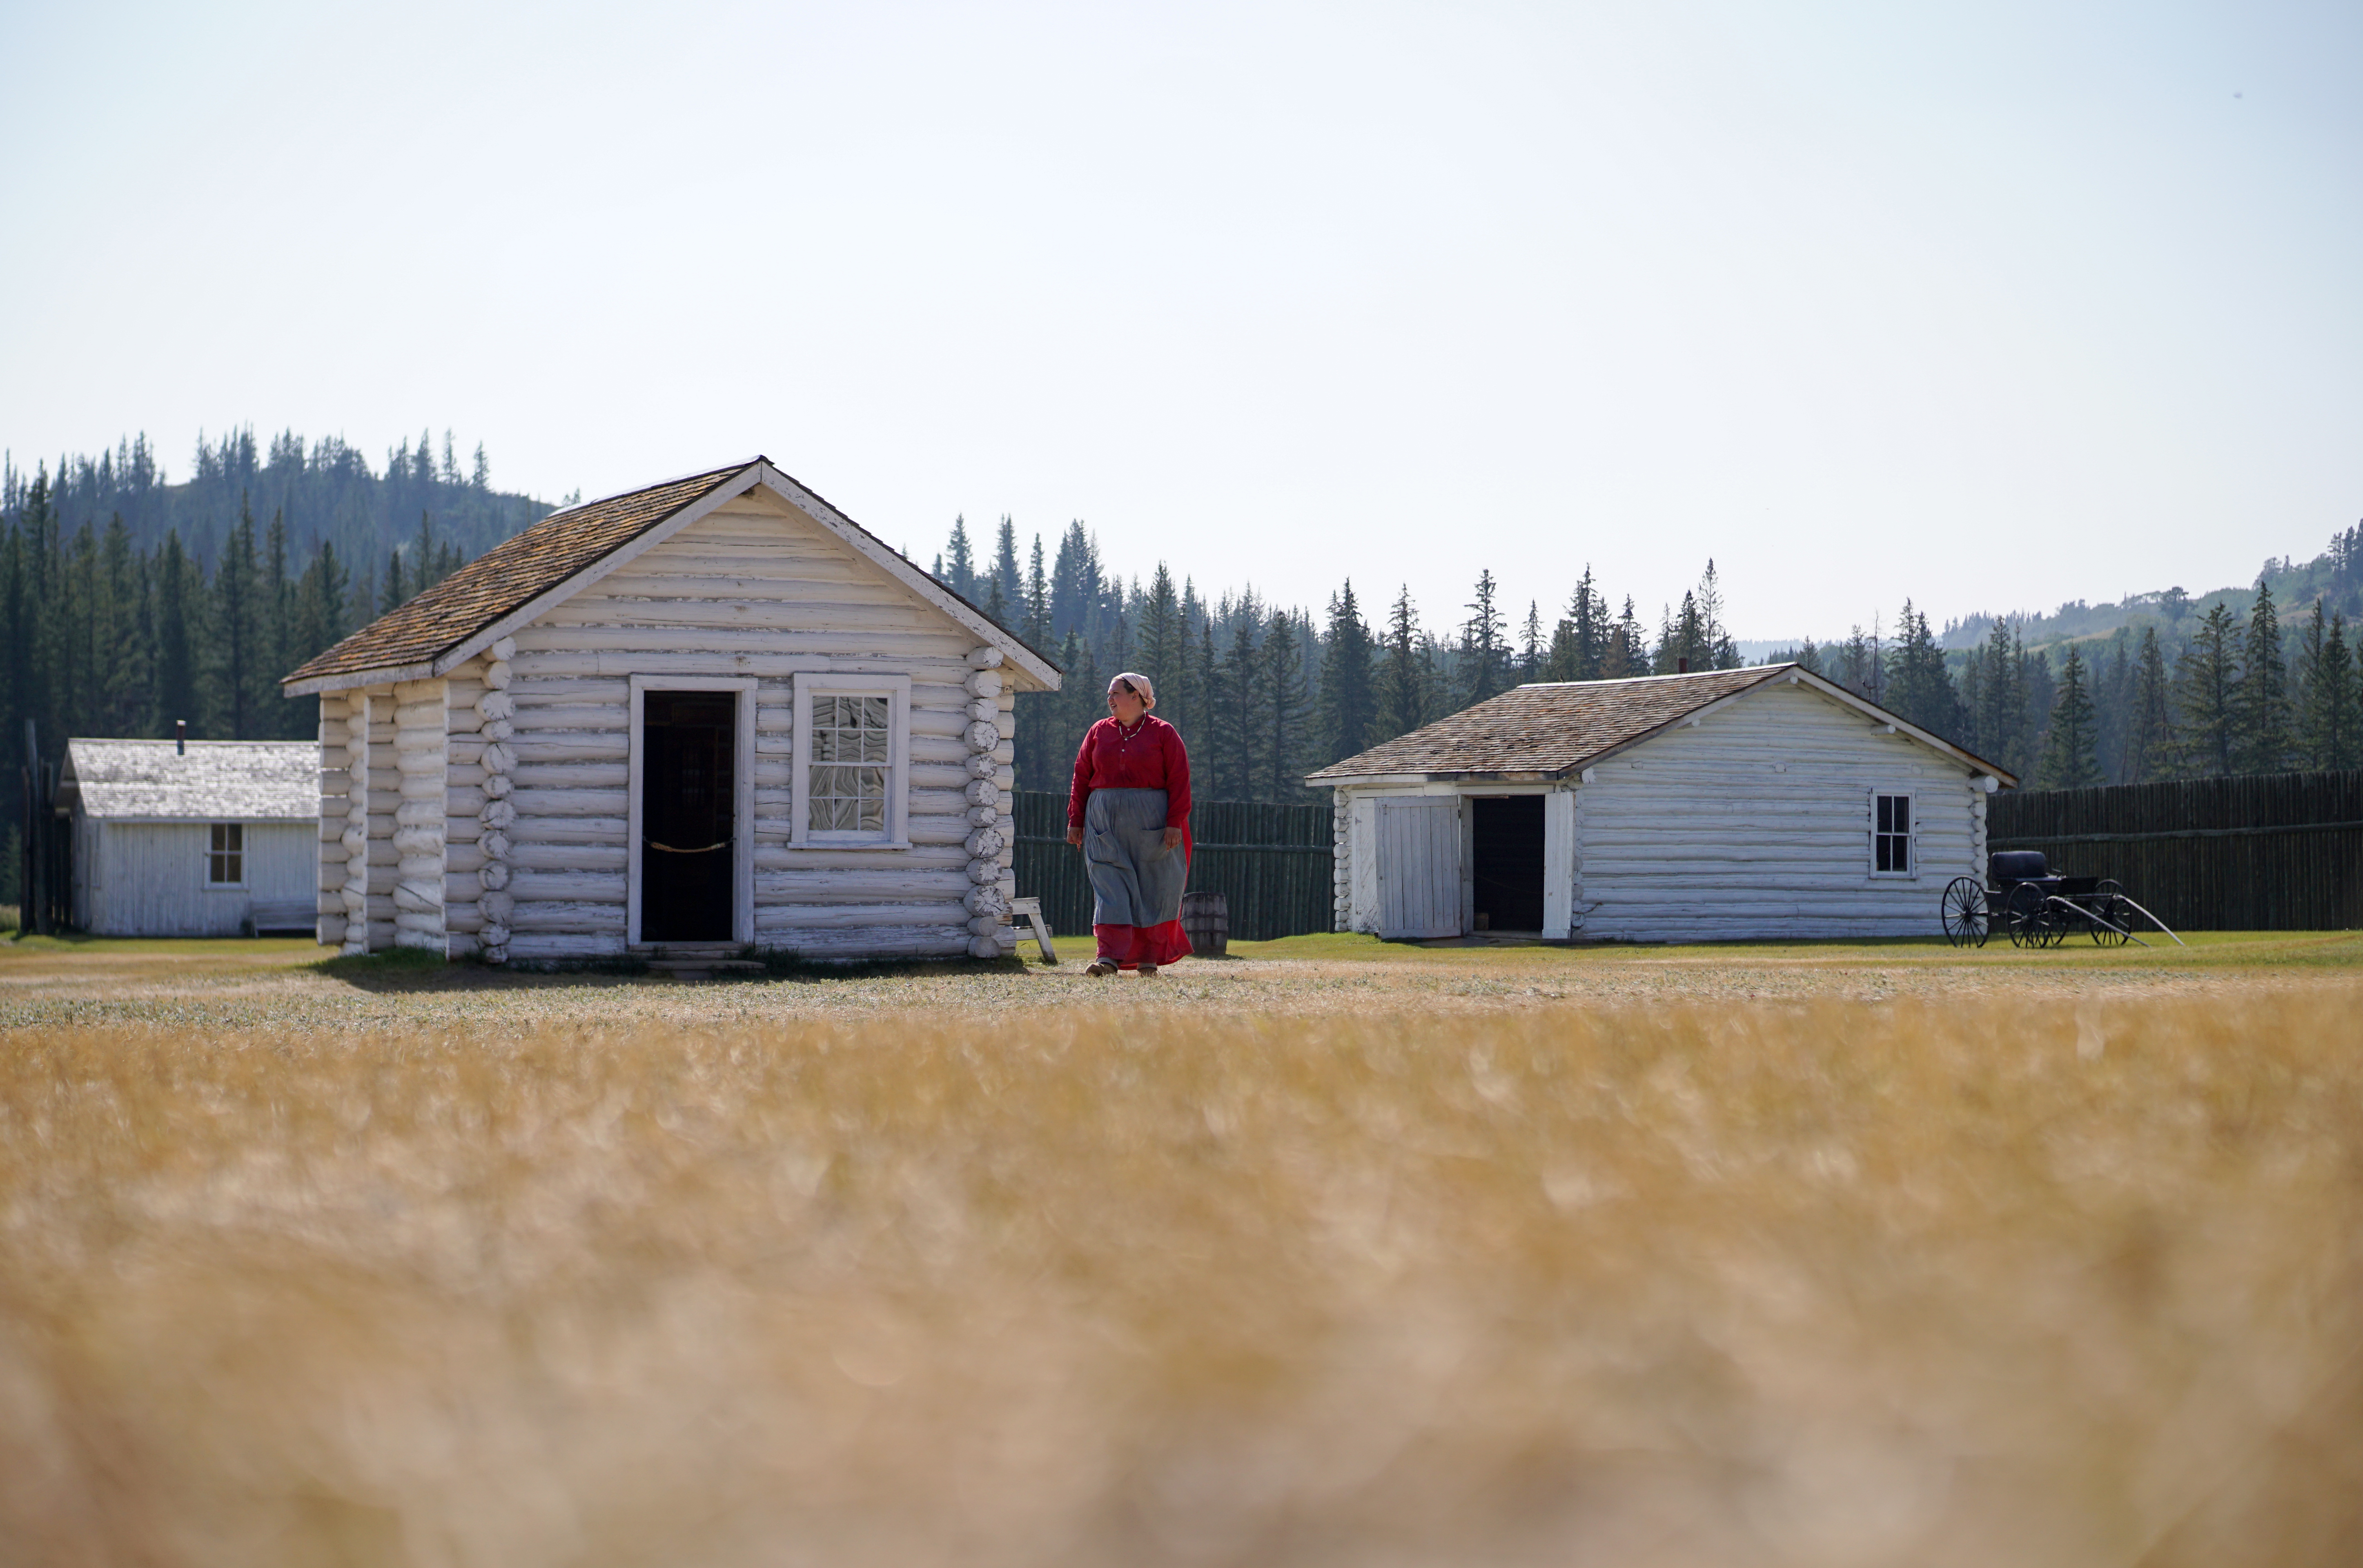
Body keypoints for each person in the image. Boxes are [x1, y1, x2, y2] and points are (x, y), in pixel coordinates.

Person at [1066, 671, 1192, 975]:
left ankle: (1149, 957)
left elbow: (1179, 779)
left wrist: (1174, 822)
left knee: (1153, 886)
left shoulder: (1163, 733)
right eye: (1109, 694)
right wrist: (1076, 819)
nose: (1110, 699)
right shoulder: (1098, 731)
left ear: (1136, 696)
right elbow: (1081, 775)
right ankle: (1108, 957)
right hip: (1103, 822)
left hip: (1151, 821)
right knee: (1109, 885)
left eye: (1116, 694)